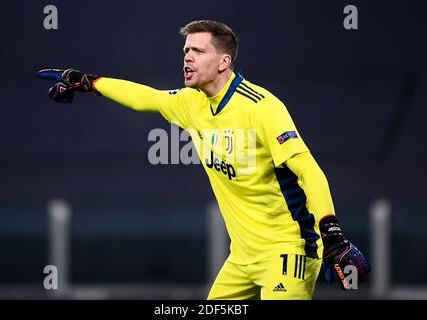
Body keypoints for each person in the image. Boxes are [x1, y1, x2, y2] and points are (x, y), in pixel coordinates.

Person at [37, 20, 370, 300]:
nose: (187, 57)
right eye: (185, 51)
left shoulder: (262, 107)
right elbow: (146, 98)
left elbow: (309, 171)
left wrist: (333, 234)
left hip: (288, 254)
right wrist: (87, 82)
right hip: (241, 259)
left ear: (224, 61)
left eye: (197, 51)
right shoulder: (190, 103)